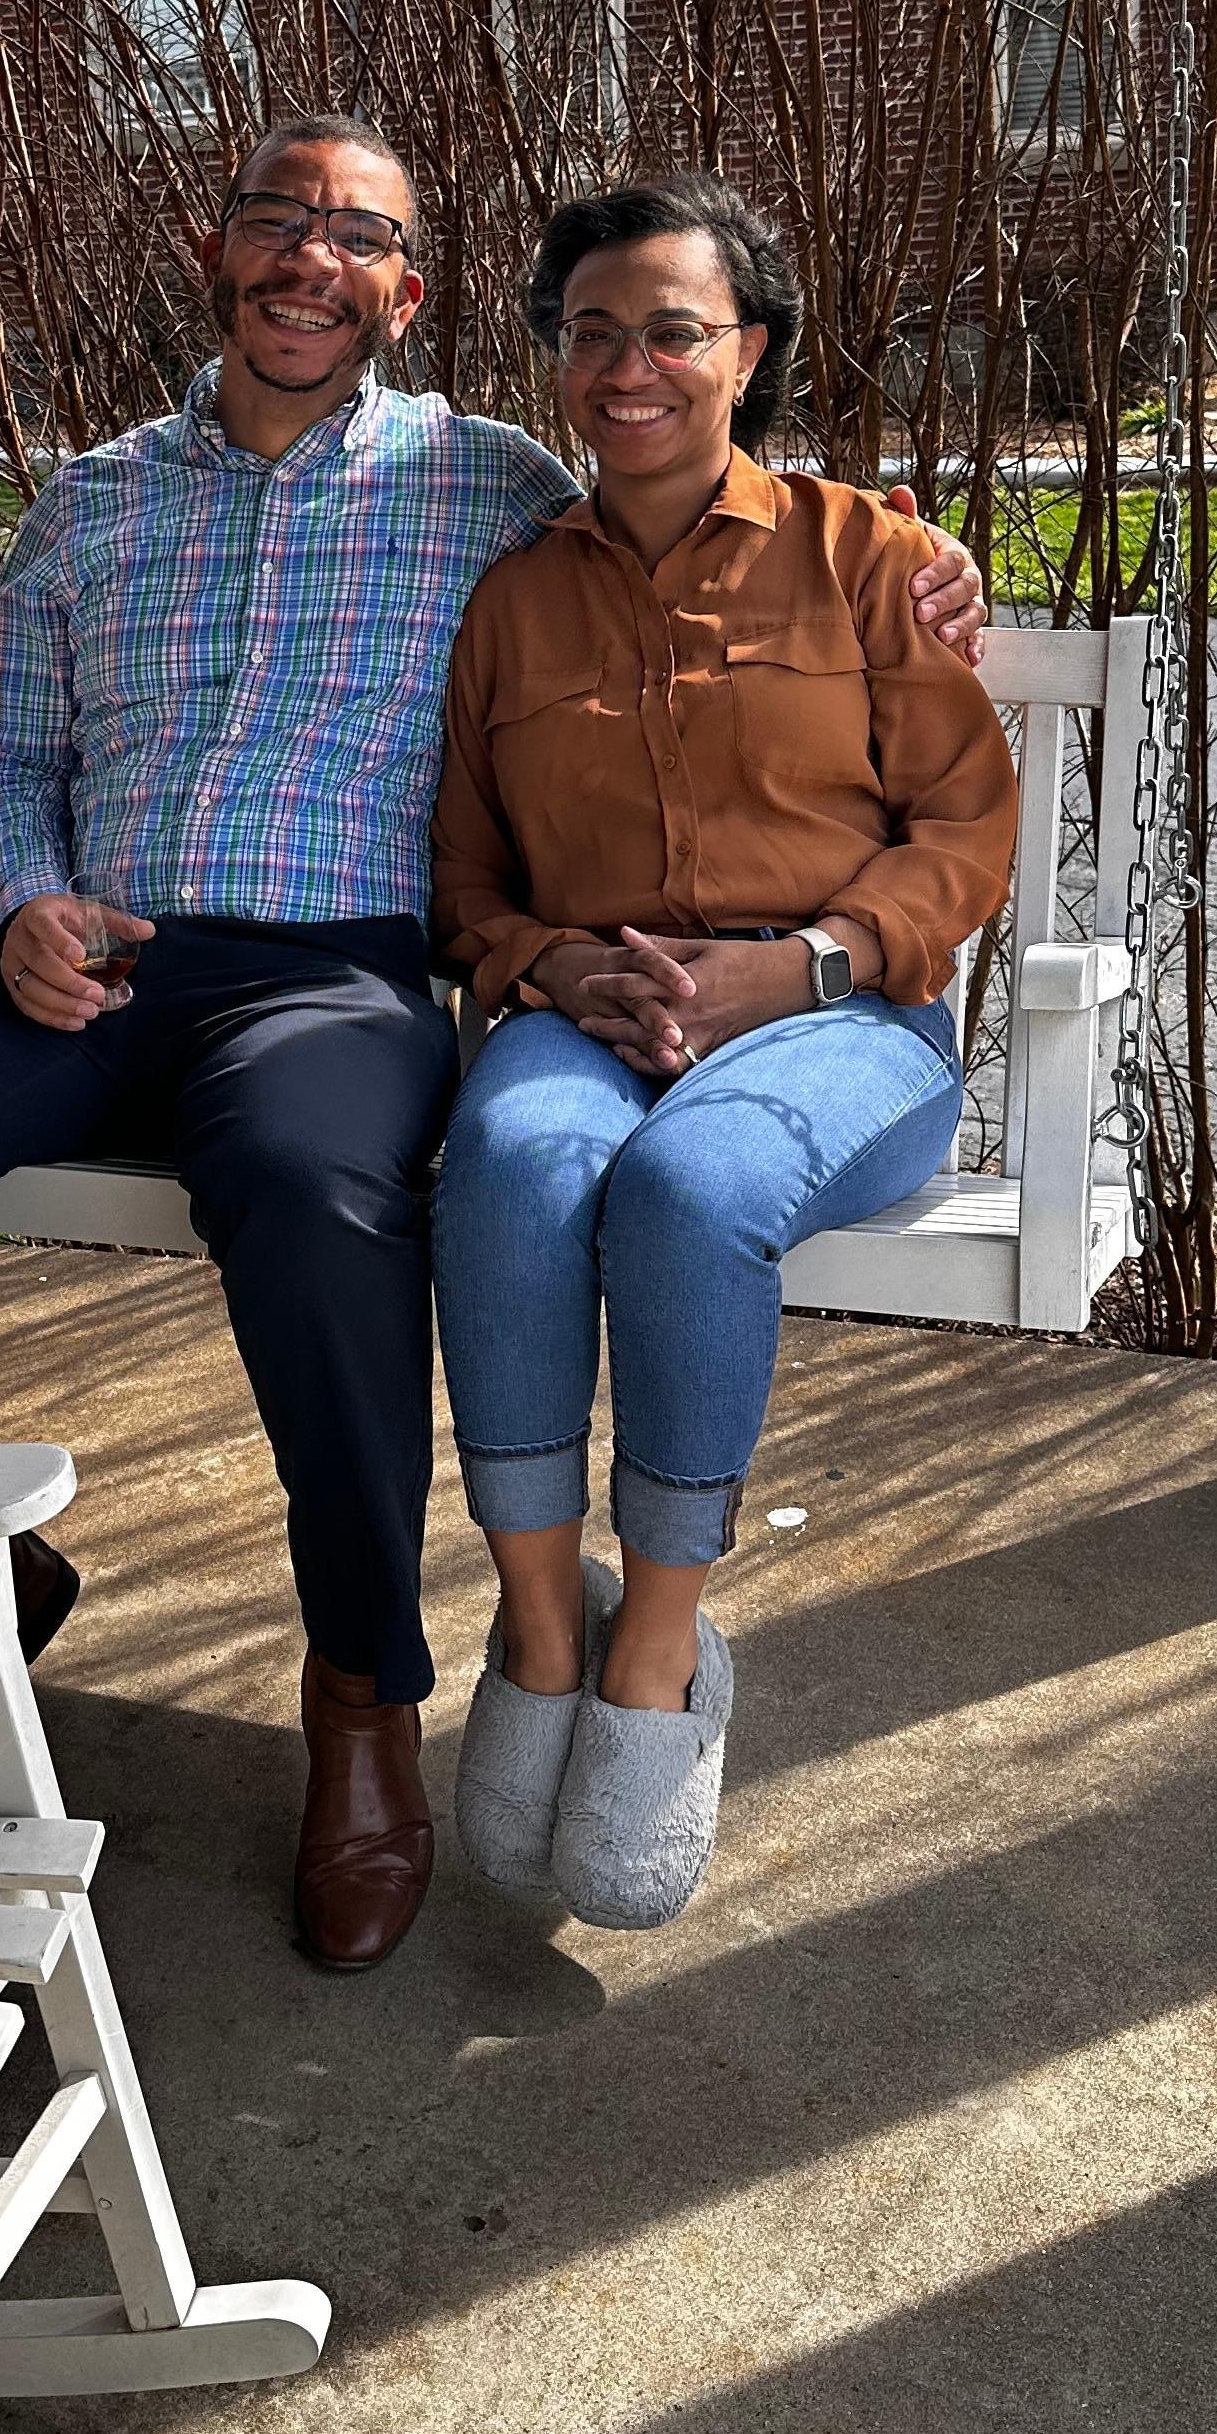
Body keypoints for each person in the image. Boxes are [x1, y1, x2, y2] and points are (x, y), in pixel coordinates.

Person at [0, 116, 987, 1974]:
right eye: (277, 223)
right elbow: (13, 759)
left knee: (317, 1201)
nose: (311, 260)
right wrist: (30, 895)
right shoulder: (93, 499)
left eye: (357, 235)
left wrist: (919, 560)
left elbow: (690, 498)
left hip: (325, 980)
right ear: (219, 255)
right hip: (83, 961)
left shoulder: (489, 485)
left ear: (407, 292)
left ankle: (364, 1701)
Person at [429, 174, 1020, 1934]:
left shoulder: (878, 560)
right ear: (556, 364)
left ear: (744, 351)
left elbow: (964, 835)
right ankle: (542, 1627)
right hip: (592, 1015)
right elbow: (465, 876)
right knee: (517, 1161)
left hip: (845, 1025)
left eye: (672, 330)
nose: (631, 366)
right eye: (592, 332)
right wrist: (550, 972)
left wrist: (802, 964)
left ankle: (661, 1655)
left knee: (695, 1185)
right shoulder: (512, 604)